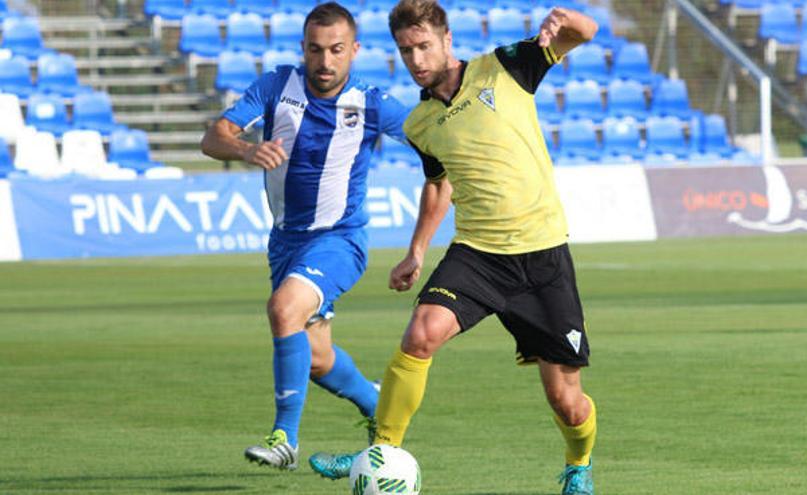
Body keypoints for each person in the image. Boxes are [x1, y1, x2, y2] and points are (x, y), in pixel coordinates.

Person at [308, 1, 600, 493]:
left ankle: (579, 465)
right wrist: (417, 251)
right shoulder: (420, 124)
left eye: (424, 46)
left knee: (565, 400)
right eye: (406, 51)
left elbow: (586, 30)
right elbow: (438, 184)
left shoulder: (504, 66)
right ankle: (380, 449)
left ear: (447, 40)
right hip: (478, 255)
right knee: (421, 333)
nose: (417, 59)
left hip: (542, 256)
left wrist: (563, 18)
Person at [200, 2, 410, 471]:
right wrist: (246, 148)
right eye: (315, 49)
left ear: (354, 50)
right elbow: (214, 137)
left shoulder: (372, 102)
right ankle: (378, 405)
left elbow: (429, 136)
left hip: (340, 239)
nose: (325, 61)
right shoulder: (277, 85)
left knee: (283, 309)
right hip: (286, 241)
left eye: (336, 50)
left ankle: (284, 440)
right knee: (315, 357)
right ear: (303, 49)